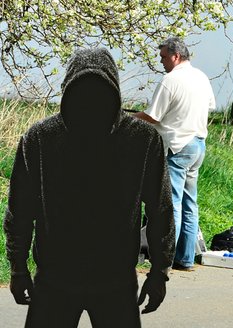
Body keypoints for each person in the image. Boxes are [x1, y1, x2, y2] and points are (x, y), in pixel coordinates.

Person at [3, 48, 175, 327]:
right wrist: (159, 271)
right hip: (106, 278)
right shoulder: (142, 140)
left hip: (63, 277)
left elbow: (20, 211)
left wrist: (18, 266)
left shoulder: (40, 138)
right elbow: (161, 210)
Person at [134, 37, 216, 271]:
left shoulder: (170, 80)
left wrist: (129, 117)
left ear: (175, 56)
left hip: (177, 147)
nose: (161, 62)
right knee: (190, 204)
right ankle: (186, 258)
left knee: (171, 205)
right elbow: (210, 105)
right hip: (198, 144)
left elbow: (153, 116)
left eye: (163, 57)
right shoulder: (201, 77)